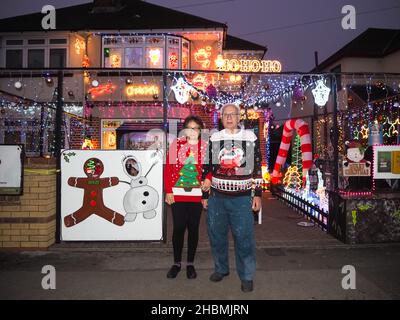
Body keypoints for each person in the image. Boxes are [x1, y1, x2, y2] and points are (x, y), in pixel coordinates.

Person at [201, 103, 263, 292]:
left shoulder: (249, 137)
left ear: (239, 117)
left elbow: (257, 167)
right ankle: (221, 269)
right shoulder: (215, 137)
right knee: (217, 236)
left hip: (242, 198)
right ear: (221, 118)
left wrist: (258, 194)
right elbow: (207, 167)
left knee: (244, 238)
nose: (229, 118)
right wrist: (205, 194)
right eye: (225, 115)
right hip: (216, 198)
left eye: (232, 114)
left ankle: (246, 275)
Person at [164, 115, 209, 279]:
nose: (193, 131)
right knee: (178, 228)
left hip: (196, 196)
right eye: (190, 128)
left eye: (196, 128)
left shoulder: (205, 147)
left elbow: (209, 170)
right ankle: (176, 263)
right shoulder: (176, 145)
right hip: (177, 195)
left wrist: (207, 187)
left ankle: (190, 263)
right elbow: (168, 169)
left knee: (194, 228)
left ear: (200, 130)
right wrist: (169, 191)